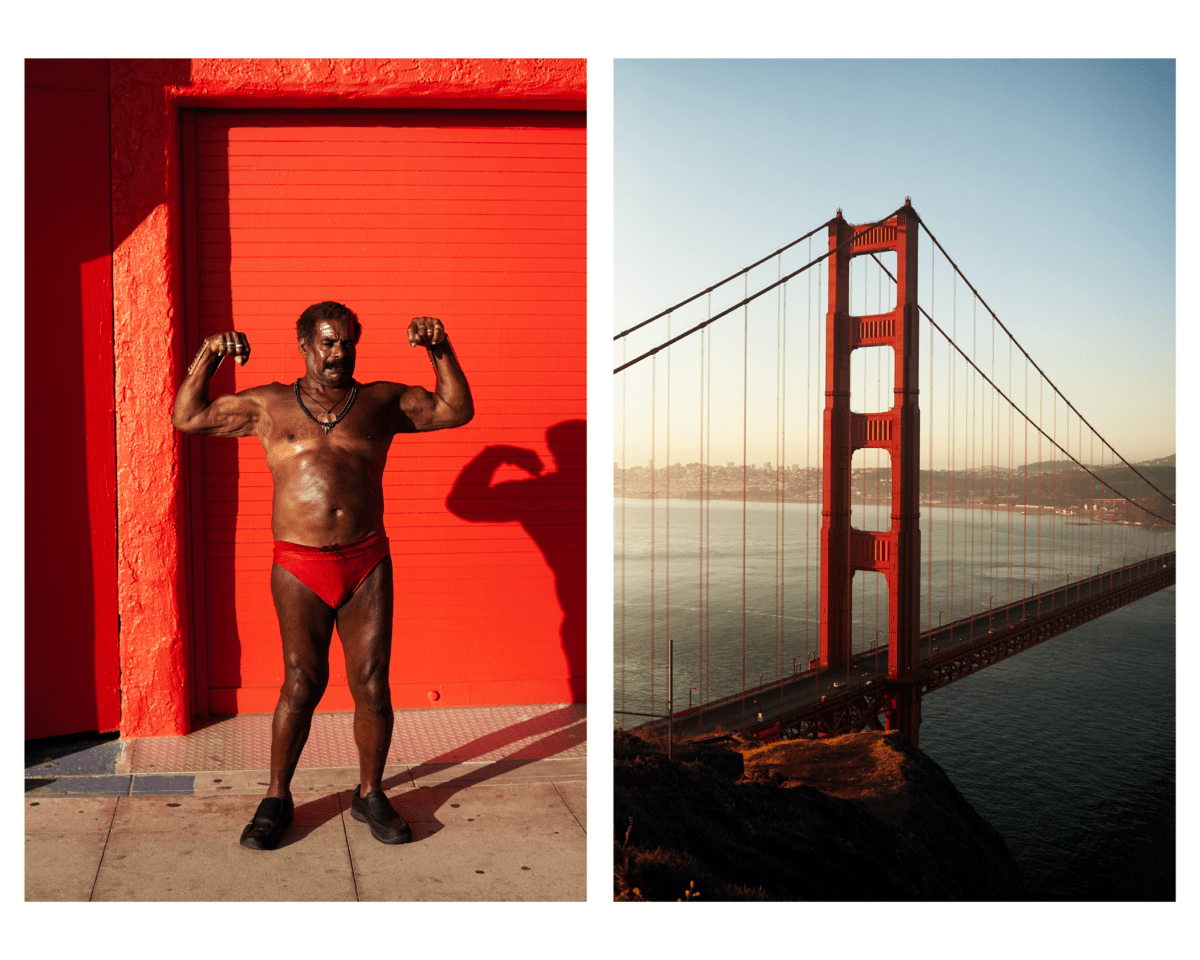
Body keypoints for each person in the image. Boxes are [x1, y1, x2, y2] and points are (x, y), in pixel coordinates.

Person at [172, 301, 474, 850]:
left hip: (365, 561)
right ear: (305, 346)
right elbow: (189, 417)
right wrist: (209, 354)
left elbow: (455, 409)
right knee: (301, 683)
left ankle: (370, 793)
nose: (339, 353)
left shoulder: (380, 402)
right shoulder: (270, 404)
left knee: (372, 684)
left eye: (347, 343)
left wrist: (439, 347)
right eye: (328, 343)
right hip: (298, 564)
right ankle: (277, 796)